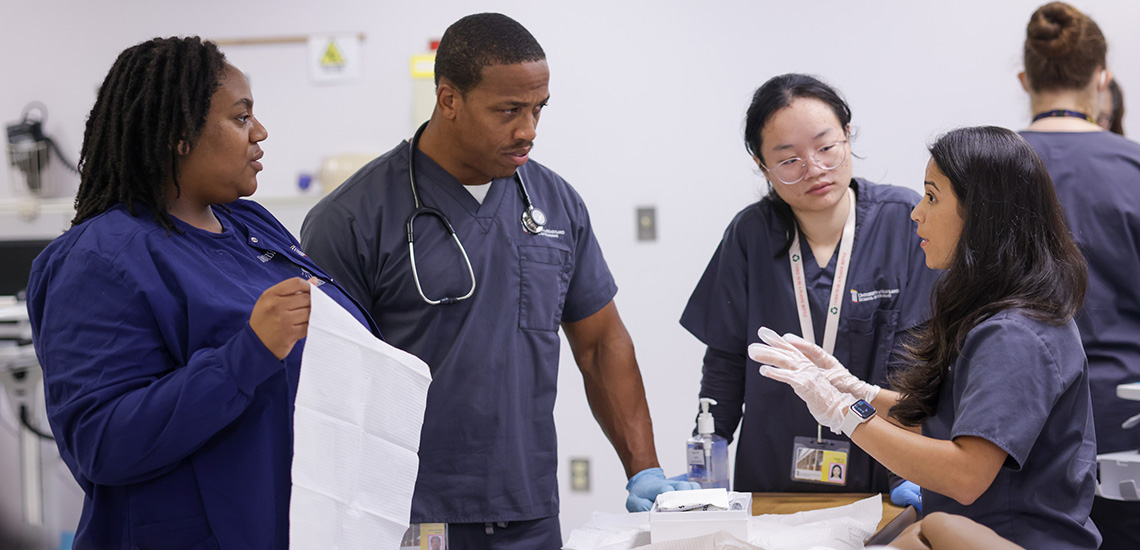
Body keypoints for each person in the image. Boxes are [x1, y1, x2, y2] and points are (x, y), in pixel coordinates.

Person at [300, 13, 694, 548]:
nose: (528, 129)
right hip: (406, 516)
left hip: (528, 510)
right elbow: (329, 388)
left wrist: (643, 469)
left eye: (538, 109)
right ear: (448, 99)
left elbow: (600, 344)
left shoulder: (555, 203)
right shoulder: (351, 220)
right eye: (509, 110)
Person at [26, 37, 375, 549]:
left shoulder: (248, 224)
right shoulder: (101, 258)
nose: (260, 132)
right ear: (178, 136)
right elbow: (100, 442)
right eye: (240, 118)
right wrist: (247, 354)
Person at [750, 126, 1100, 548]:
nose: (916, 212)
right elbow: (949, 425)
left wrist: (845, 414)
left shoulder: (1015, 335)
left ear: (982, 213)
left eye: (932, 197)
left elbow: (965, 474)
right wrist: (856, 390)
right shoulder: (998, 314)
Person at [679, 74, 937, 499]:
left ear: (847, 136)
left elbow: (921, 357)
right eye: (788, 159)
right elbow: (724, 365)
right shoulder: (750, 235)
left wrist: (913, 467)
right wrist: (705, 465)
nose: (814, 169)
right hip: (772, 476)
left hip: (886, 470)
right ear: (763, 167)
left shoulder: (904, 219)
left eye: (826, 147)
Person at [1017, 3, 1140, 547]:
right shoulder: (1132, 169)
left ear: (1025, 79)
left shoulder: (981, 172)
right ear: (1101, 78)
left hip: (1013, 425)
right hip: (1123, 428)